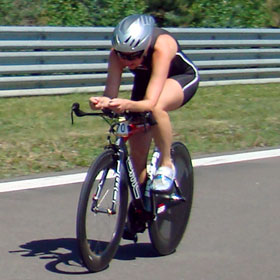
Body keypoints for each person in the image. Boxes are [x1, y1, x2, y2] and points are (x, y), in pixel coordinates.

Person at [89, 14, 199, 194]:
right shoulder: (116, 53)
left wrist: (127, 104)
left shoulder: (161, 46)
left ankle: (166, 164)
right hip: (146, 82)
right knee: (137, 156)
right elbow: (110, 93)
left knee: (156, 108)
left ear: (146, 45)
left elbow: (149, 103)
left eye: (133, 56)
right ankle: (141, 208)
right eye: (122, 56)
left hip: (179, 78)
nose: (127, 62)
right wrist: (102, 102)